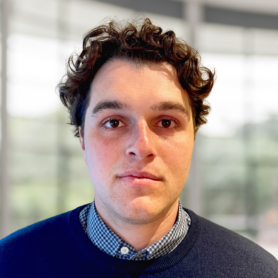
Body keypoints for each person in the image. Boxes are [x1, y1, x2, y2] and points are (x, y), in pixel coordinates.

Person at [0, 17, 277, 278]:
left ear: (193, 137)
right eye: (114, 122)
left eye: (166, 122)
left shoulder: (257, 272)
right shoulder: (10, 264)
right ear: (82, 138)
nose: (141, 146)